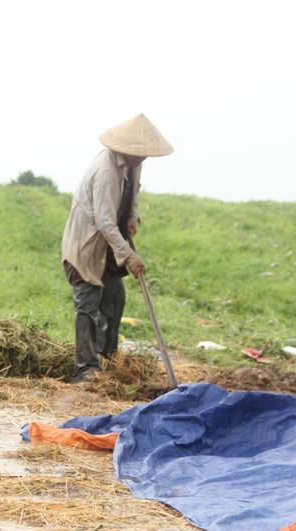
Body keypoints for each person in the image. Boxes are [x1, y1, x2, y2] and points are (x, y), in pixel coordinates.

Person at [61, 113, 173, 383]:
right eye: (137, 155)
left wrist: (133, 216)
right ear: (123, 149)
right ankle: (85, 368)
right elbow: (103, 221)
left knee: (114, 300)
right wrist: (130, 258)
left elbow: (133, 193)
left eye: (144, 155)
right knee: (88, 304)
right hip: (89, 242)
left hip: (111, 242)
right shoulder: (105, 171)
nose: (141, 159)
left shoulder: (133, 163)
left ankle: (107, 357)